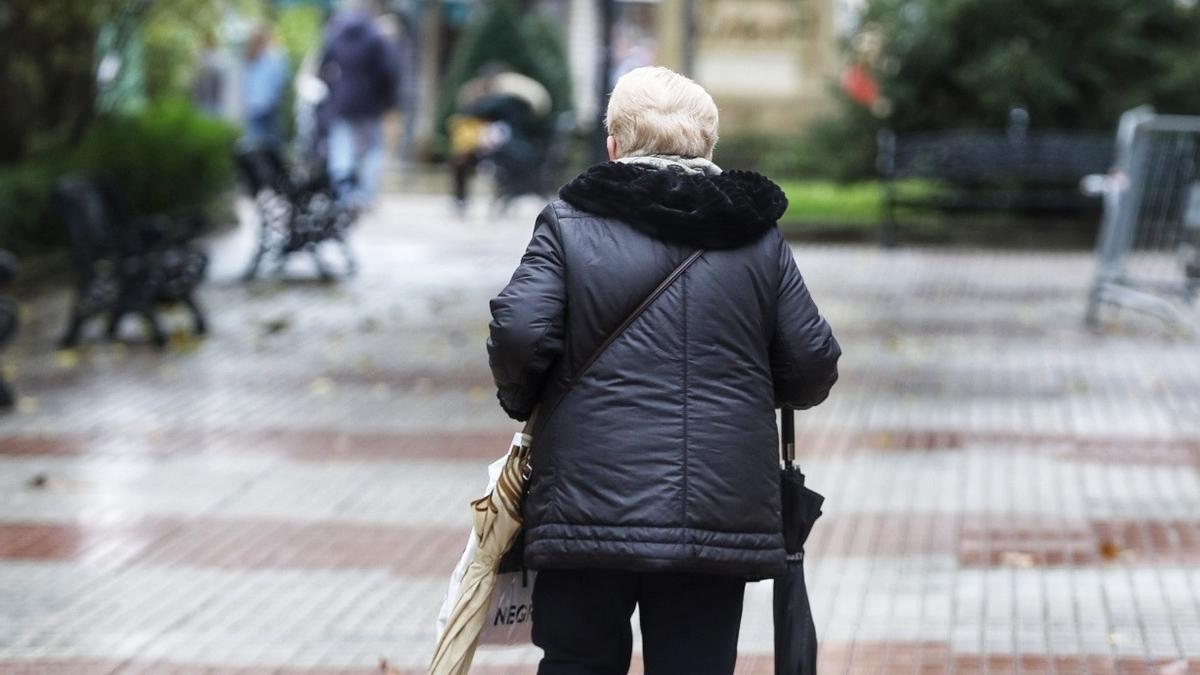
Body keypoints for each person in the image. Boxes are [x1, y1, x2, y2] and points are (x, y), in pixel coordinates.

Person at [487, 66, 841, 674]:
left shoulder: (568, 224)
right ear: (708, 147)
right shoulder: (757, 239)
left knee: (577, 661)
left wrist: (528, 399)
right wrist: (742, 388)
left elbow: (519, 332)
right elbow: (812, 363)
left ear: (614, 146)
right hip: (716, 508)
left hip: (584, 505)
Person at [319, 4, 401, 207]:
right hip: (370, 103)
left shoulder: (335, 35)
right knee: (372, 147)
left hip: (342, 102)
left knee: (341, 145)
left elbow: (322, 69)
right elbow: (388, 73)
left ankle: (343, 192)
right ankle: (366, 194)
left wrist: (335, 89)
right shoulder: (375, 38)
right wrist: (387, 100)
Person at [240, 26, 289, 149]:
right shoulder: (272, 57)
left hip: (259, 106)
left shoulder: (260, 58)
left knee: (258, 143)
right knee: (268, 144)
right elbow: (280, 81)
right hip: (265, 105)